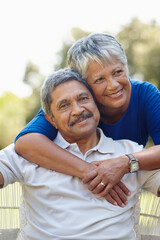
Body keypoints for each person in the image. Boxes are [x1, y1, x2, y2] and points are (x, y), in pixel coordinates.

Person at [1, 68, 160, 240]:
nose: (77, 110)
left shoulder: (130, 152)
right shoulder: (29, 155)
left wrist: (127, 164)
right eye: (64, 105)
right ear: (51, 119)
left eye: (83, 98)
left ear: (96, 103)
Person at [14, 33, 160, 206]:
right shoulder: (77, 105)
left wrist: (124, 163)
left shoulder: (145, 94)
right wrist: (91, 171)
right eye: (99, 79)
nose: (113, 85)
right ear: (83, 85)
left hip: (122, 194)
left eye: (118, 72)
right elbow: (26, 142)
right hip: (70, 193)